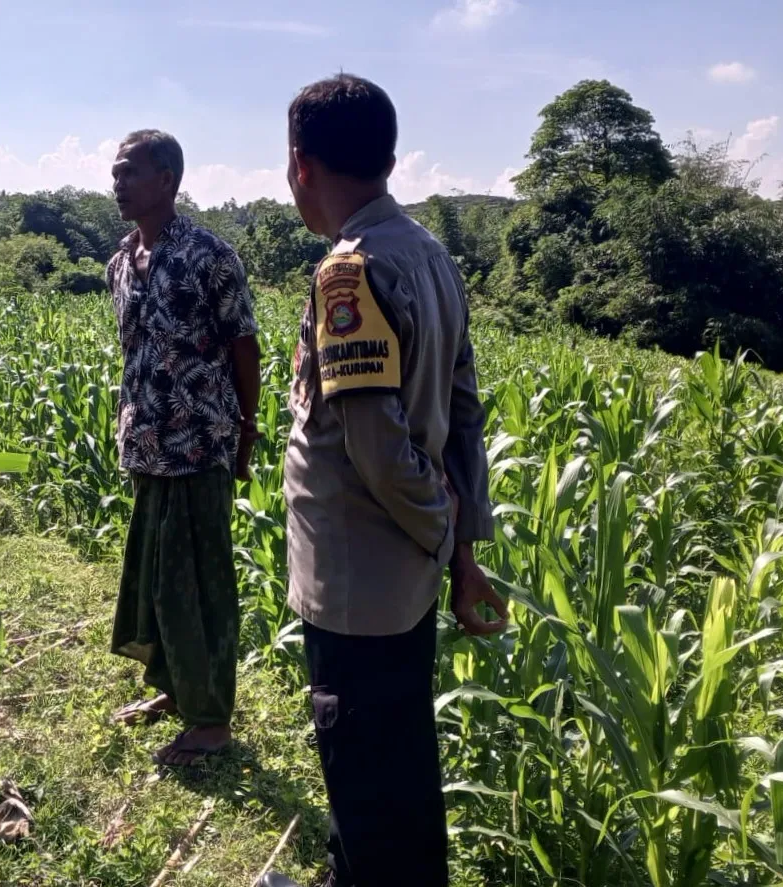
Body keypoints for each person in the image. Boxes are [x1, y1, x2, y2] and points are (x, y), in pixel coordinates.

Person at [281, 75, 509, 885]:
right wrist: (463, 551)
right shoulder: (431, 255)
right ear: (388, 155)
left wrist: (448, 536)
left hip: (358, 587)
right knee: (399, 777)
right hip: (404, 582)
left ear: (300, 165)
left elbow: (377, 448)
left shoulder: (349, 272)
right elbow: (462, 414)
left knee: (368, 789)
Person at [105, 129, 262, 767]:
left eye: (129, 172)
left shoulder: (208, 256)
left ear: (167, 178)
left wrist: (247, 432)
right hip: (148, 444)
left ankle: (212, 721)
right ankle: (177, 690)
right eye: (115, 173)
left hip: (199, 446)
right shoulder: (119, 261)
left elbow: (244, 346)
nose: (117, 183)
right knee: (157, 579)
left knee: (199, 583)